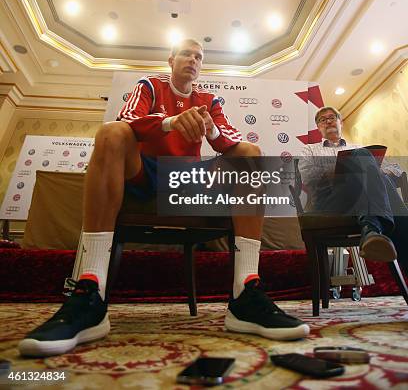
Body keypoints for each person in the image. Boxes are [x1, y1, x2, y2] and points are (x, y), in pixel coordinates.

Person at [19, 38, 309, 357]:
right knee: (111, 133)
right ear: (171, 60)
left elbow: (232, 141)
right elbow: (127, 120)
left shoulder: (209, 100)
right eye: (186, 53)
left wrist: (210, 130)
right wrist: (171, 122)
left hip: (188, 177)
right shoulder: (151, 86)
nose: (193, 60)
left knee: (250, 154)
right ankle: (90, 293)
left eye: (199, 56)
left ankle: (246, 293)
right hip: (146, 173)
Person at [298, 106, 407, 270]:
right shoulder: (309, 149)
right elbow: (309, 177)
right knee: (364, 163)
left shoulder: (359, 148)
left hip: (362, 200)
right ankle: (373, 229)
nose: (328, 121)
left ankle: (371, 230)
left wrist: (375, 172)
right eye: (322, 119)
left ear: (340, 122)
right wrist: (345, 168)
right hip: (330, 201)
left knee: (378, 174)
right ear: (318, 127)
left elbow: (397, 169)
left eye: (332, 117)